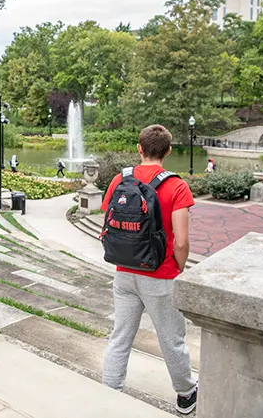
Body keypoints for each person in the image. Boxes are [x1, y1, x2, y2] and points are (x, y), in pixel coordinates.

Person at [100, 125, 198, 415]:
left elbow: (107, 223)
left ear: (139, 148)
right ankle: (185, 395)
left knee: (120, 337)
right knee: (171, 340)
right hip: (160, 275)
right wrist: (177, 267)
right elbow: (181, 240)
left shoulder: (121, 178)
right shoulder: (176, 186)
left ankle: (108, 393)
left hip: (124, 272)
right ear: (168, 151)